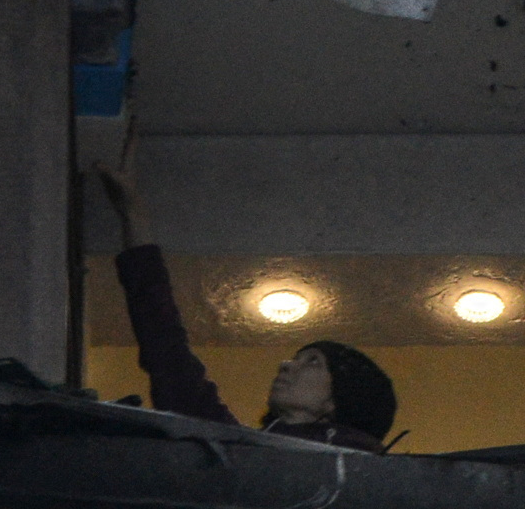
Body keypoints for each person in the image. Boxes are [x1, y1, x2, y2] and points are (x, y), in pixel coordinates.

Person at [93, 171, 399, 450]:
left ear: (339, 399)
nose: (285, 365)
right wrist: (133, 215)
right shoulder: (238, 452)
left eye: (313, 363)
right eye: (296, 358)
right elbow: (167, 353)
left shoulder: (369, 475)